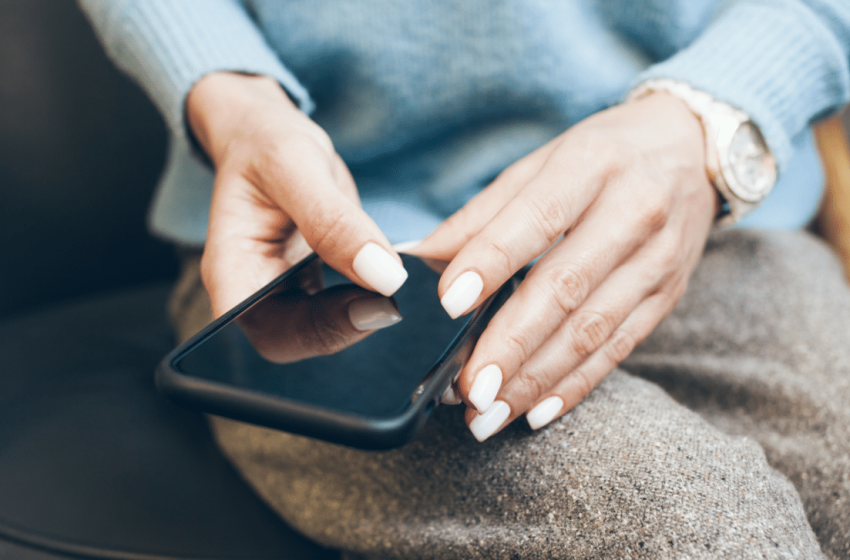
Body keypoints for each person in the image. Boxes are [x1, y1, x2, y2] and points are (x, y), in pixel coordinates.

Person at [79, 0, 850, 557]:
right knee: (699, 529)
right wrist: (230, 94)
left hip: (697, 203)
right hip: (320, 257)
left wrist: (714, 117)